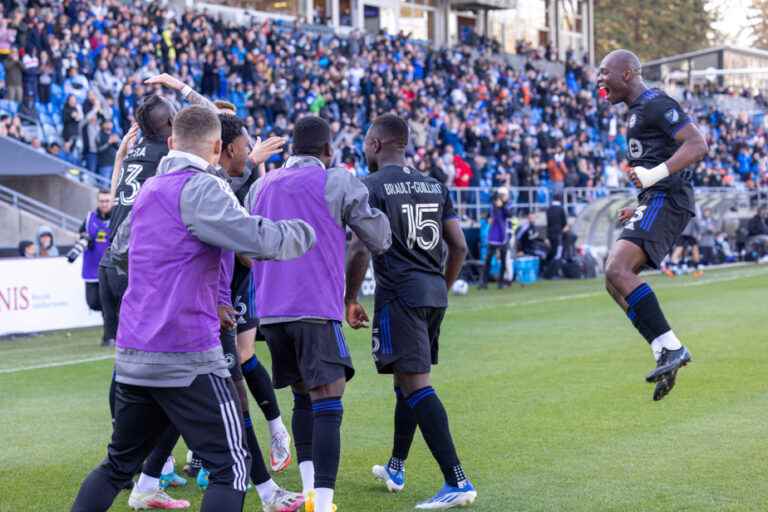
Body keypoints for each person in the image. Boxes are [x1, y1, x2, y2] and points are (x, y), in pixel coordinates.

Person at [70, 105, 316, 512]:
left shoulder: (149, 189)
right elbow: (257, 239)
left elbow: (119, 254)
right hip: (185, 352)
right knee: (232, 468)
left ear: (171, 143)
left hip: (134, 352)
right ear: (218, 147)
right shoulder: (202, 188)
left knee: (117, 465)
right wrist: (310, 230)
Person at [247, 115, 391, 512]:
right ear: (328, 151)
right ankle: (323, 502)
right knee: (328, 400)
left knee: (302, 400)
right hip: (315, 307)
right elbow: (379, 238)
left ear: (292, 149)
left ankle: (311, 492)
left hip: (271, 314)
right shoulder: (339, 179)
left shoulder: (261, 185)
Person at [344, 114, 476, 510]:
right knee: (406, 382)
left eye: (366, 142)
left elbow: (360, 247)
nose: (365, 148)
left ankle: (457, 480)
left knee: (416, 384)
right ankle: (396, 466)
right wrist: (442, 286)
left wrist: (350, 298)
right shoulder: (434, 184)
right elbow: (460, 247)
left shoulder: (370, 185)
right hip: (432, 292)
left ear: (377, 144)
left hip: (399, 294)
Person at [598, 49, 708, 401]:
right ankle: (663, 349)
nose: (600, 79)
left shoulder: (656, 103)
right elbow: (650, 173)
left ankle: (672, 347)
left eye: (604, 72)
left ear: (627, 73)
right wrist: (639, 206)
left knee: (618, 267)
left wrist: (655, 176)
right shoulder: (635, 113)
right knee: (613, 281)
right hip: (655, 201)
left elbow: (697, 144)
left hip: (669, 198)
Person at [74, 191, 113, 345]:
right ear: (98, 202)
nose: (104, 204)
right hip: (91, 268)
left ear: (112, 201)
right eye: (102, 201)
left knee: (107, 303)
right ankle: (111, 329)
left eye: (107, 201)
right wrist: (84, 239)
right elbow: (79, 234)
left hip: (111, 268)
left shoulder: (118, 217)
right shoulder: (90, 218)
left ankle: (108, 336)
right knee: (93, 302)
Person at [480, 187, 512, 289]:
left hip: (503, 235)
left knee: (503, 260)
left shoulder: (508, 205)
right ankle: (484, 282)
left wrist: (502, 206)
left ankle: (501, 282)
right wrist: (489, 217)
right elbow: (487, 216)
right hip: (493, 235)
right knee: (488, 260)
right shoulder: (493, 206)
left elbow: (509, 215)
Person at [545, 195, 568, 263]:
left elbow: (548, 223)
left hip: (550, 233)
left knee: (552, 250)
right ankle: (555, 265)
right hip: (558, 233)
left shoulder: (548, 209)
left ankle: (548, 264)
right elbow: (564, 223)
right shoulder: (561, 209)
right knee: (558, 251)